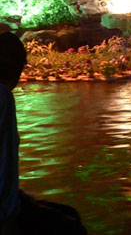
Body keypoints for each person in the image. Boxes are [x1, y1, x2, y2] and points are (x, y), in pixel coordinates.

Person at [0, 32, 87, 234]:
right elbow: (4, 161)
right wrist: (8, 219)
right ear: (16, 69)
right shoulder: (2, 97)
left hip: (11, 203)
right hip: (4, 214)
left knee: (66, 215)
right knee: (72, 227)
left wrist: (20, 196)